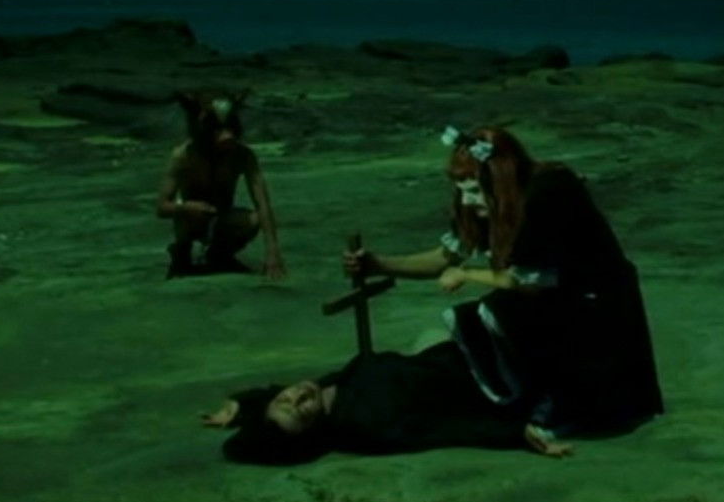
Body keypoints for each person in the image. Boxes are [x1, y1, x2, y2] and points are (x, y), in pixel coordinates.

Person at [341, 125, 663, 439]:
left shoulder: (549, 192)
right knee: (485, 319)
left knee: (501, 313)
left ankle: (569, 404)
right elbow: (445, 257)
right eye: (461, 190)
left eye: (473, 190)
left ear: (499, 179)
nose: (466, 201)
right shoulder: (484, 205)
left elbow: (530, 282)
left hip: (594, 301)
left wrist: (467, 274)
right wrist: (379, 264)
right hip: (548, 294)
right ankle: (529, 395)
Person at [200, 339, 574, 465]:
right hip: (494, 376)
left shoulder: (326, 396)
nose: (298, 395)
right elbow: (443, 430)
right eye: (301, 409)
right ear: (315, 431)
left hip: (453, 352)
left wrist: (242, 406)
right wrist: (516, 434)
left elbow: (283, 397)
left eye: (285, 398)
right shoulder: (370, 423)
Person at [157, 89, 286, 280]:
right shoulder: (183, 156)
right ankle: (182, 253)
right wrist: (189, 207)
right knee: (182, 217)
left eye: (229, 128)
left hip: (222, 216)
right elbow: (161, 207)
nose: (226, 136)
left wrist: (273, 252)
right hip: (191, 219)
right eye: (217, 129)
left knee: (254, 220)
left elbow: (263, 205)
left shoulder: (243, 155)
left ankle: (219, 254)